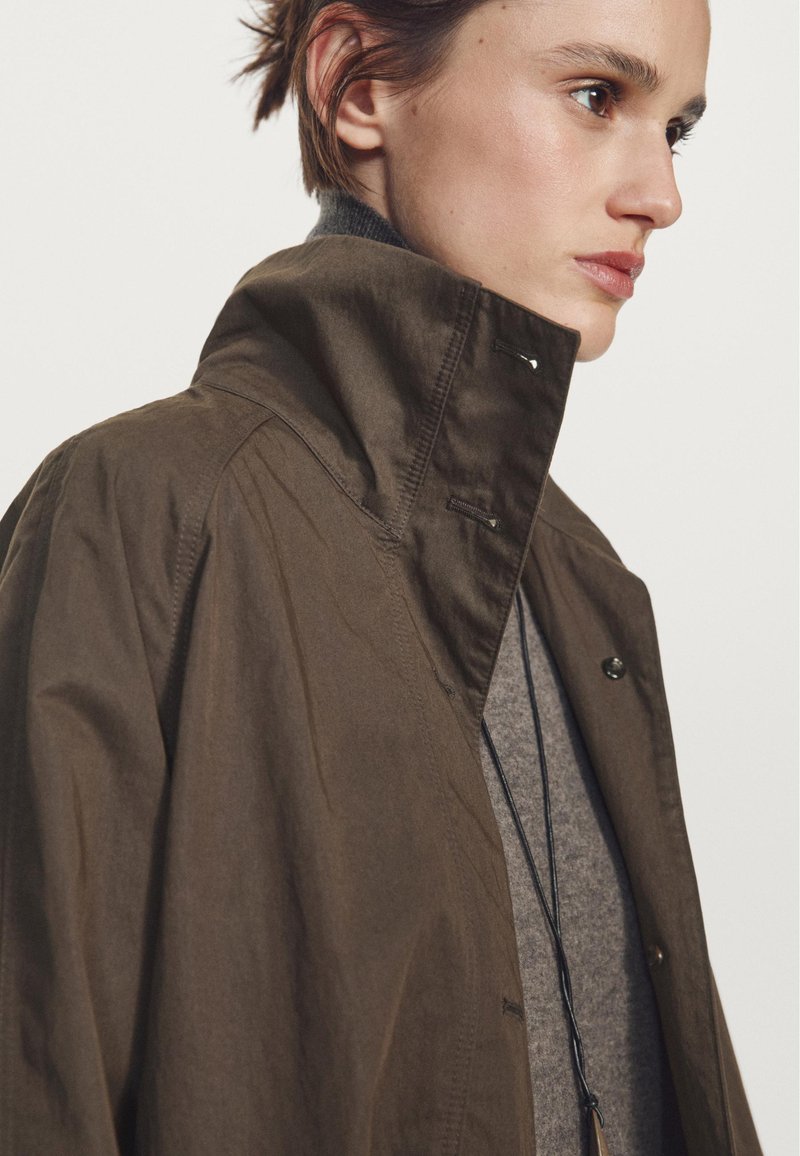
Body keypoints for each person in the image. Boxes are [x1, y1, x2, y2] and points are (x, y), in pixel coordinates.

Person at [0, 0, 765, 1152]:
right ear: (356, 85)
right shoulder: (142, 518)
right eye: (594, 96)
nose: (659, 195)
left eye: (675, 129)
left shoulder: (585, 584)